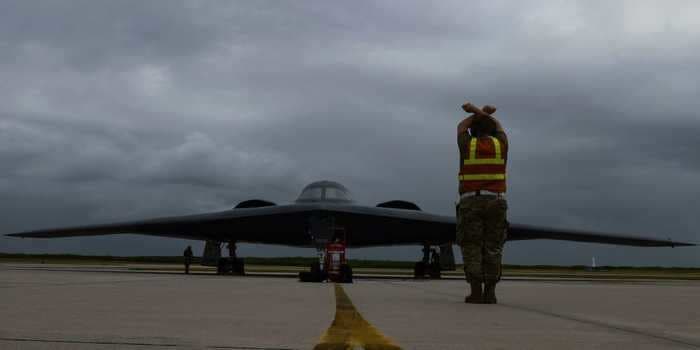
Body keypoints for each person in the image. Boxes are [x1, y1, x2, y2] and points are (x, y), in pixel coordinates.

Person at [456, 102, 508, 304]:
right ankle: (491, 292)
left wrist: (476, 111)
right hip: (496, 201)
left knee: (472, 246)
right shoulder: (501, 145)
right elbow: (498, 126)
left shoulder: (467, 146)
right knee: (494, 246)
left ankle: (476, 291)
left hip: (471, 201)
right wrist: (484, 114)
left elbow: (461, 126)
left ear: (473, 131)